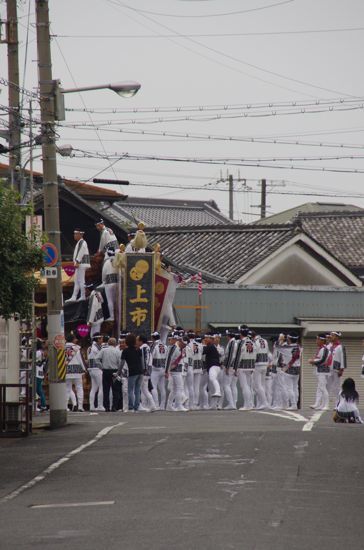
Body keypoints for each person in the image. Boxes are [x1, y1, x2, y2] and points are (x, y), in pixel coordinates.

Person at [96, 337, 122, 411]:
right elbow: (120, 362)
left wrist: (101, 367)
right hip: (115, 372)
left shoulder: (103, 350)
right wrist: (119, 371)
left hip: (106, 371)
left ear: (108, 343)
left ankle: (106, 407)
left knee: (106, 389)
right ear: (115, 343)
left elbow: (96, 359)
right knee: (115, 390)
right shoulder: (117, 351)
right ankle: (114, 407)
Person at [65, 229, 91, 303]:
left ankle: (83, 296)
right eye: (74, 234)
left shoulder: (82, 242)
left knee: (81, 280)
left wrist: (77, 261)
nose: (74, 235)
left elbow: (81, 251)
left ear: (80, 234)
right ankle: (74, 296)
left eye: (76, 234)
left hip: (81, 263)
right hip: (79, 263)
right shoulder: (80, 242)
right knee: (76, 280)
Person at [234, 328, 256, 411]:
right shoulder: (252, 342)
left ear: (240, 334)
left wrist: (235, 368)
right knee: (249, 385)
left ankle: (247, 405)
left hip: (242, 366)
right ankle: (250, 404)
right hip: (251, 365)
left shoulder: (241, 342)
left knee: (244, 386)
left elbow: (238, 356)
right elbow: (255, 353)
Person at [165, 334, 188, 412]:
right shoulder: (174, 348)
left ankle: (169, 405)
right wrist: (166, 371)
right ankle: (179, 405)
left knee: (175, 389)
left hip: (177, 369)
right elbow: (168, 359)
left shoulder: (180, 348)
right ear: (181, 341)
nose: (184, 346)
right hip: (174, 370)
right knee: (179, 387)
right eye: (184, 344)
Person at [122, 333, 143, 412]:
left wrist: (118, 372)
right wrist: (143, 369)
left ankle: (130, 407)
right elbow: (141, 361)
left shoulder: (125, 351)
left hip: (132, 372)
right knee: (137, 390)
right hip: (140, 371)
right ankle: (136, 407)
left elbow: (122, 363)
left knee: (130, 389)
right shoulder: (138, 349)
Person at [65, 333, 86, 411]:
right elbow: (81, 360)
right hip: (77, 370)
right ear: (73, 339)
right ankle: (80, 406)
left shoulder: (62, 348)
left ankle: (65, 406)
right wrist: (84, 369)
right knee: (79, 388)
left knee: (67, 389)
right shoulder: (77, 348)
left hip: (66, 369)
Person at [309, 334, 330, 410]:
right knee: (319, 387)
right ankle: (318, 403)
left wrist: (313, 362)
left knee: (323, 387)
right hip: (319, 370)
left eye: (317, 339)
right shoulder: (320, 349)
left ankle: (326, 405)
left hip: (323, 370)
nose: (316, 341)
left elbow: (323, 360)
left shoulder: (325, 349)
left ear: (322, 340)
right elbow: (318, 358)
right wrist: (313, 360)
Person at [137, 334, 157, 412]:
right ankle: (152, 405)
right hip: (148, 370)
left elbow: (144, 359)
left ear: (141, 341)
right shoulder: (148, 347)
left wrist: (144, 369)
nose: (136, 341)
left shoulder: (143, 348)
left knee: (140, 388)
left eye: (137, 340)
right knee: (145, 389)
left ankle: (140, 405)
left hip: (144, 370)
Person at [150, 331, 168, 410]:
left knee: (153, 387)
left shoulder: (154, 345)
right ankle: (162, 405)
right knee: (162, 387)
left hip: (155, 368)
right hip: (163, 368)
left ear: (153, 337)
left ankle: (156, 404)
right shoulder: (165, 345)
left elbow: (151, 356)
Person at [87, 333, 104, 412]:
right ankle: (100, 405)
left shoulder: (90, 347)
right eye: (100, 338)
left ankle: (92, 406)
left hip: (91, 369)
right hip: (97, 368)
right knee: (101, 387)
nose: (102, 340)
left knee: (94, 388)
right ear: (97, 339)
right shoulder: (96, 348)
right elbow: (100, 358)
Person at [252, 332, 269, 410]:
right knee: (263, 385)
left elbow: (254, 353)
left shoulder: (255, 342)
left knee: (257, 385)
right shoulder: (265, 341)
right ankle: (261, 403)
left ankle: (264, 403)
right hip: (265, 364)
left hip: (258, 364)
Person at [328, 331, 346, 400]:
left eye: (333, 335)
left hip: (337, 368)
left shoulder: (340, 346)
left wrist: (341, 369)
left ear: (337, 337)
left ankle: (337, 404)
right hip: (329, 368)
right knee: (328, 386)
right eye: (331, 335)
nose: (331, 336)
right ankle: (326, 403)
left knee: (337, 387)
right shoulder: (330, 346)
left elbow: (343, 358)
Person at [222, 330, 237, 410]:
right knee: (233, 385)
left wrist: (227, 367)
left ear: (228, 336)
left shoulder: (232, 343)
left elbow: (230, 355)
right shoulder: (237, 342)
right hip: (235, 366)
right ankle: (234, 403)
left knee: (226, 385)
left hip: (230, 366)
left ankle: (231, 403)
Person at [35, 339, 47, 411]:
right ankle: (43, 405)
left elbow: (32, 358)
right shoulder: (41, 352)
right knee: (39, 390)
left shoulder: (38, 352)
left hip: (37, 372)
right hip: (40, 372)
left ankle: (42, 405)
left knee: (37, 390)